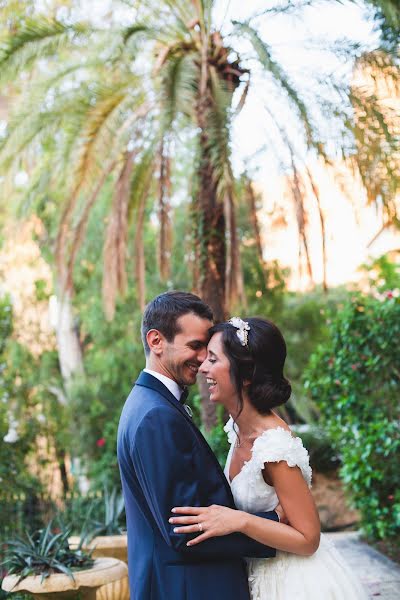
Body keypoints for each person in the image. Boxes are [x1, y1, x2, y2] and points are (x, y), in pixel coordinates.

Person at [170, 317, 368, 600]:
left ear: (247, 374)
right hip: (254, 570)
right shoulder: (238, 429)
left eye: (213, 360)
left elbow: (308, 539)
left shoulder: (273, 447)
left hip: (292, 582)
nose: (203, 368)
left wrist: (240, 521)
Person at [117, 293, 283, 600]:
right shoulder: (156, 416)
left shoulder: (151, 405)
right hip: (188, 588)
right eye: (195, 346)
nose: (203, 359)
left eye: (208, 350)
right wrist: (275, 524)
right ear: (156, 341)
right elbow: (186, 531)